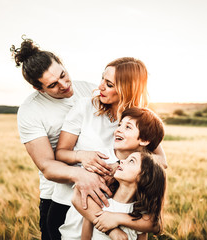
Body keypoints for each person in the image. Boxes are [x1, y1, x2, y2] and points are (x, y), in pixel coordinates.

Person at [54, 58, 168, 239]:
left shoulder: (141, 119)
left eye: (109, 84)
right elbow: (60, 153)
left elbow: (161, 161)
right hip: (76, 205)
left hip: (119, 205)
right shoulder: (85, 106)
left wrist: (119, 165)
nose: (100, 86)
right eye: (102, 79)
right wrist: (82, 156)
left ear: (127, 89)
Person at [11, 36, 111, 240]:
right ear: (38, 89)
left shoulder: (89, 89)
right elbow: (47, 165)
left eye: (63, 75)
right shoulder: (30, 111)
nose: (64, 85)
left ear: (63, 64)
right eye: (53, 85)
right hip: (58, 199)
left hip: (105, 192)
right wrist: (81, 173)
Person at [73, 107, 166, 239]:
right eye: (120, 125)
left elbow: (154, 225)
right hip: (73, 231)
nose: (118, 129)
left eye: (128, 127)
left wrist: (117, 219)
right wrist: (112, 231)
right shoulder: (100, 158)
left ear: (144, 140)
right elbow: (77, 197)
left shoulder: (138, 208)